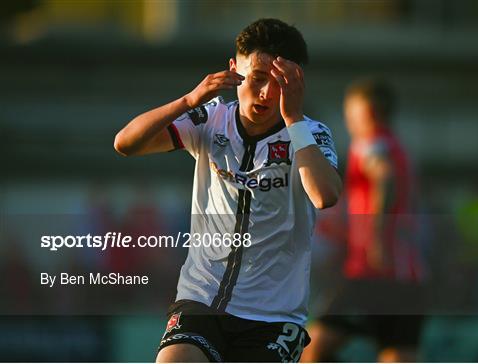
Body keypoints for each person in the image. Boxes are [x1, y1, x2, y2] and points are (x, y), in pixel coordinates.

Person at [114, 18, 342, 363]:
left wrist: (293, 119)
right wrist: (190, 98)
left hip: (272, 315)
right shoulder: (210, 119)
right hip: (201, 299)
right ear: (234, 70)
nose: (265, 93)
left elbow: (326, 196)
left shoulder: (310, 134)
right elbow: (126, 143)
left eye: (279, 83)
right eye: (257, 79)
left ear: (296, 83)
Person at [301, 79, 425, 363]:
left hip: (371, 272)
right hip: (409, 278)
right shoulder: (400, 148)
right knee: (398, 356)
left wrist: (377, 238)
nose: (347, 119)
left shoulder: (371, 143)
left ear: (366, 112)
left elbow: (384, 175)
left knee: (311, 351)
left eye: (350, 111)